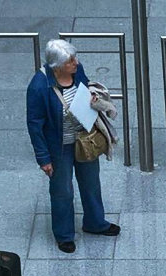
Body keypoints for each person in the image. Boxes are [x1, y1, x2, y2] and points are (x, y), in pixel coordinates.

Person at [27, 39, 121, 253]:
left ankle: (95, 222)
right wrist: (43, 158)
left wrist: (92, 97)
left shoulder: (77, 72)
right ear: (57, 65)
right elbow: (34, 125)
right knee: (62, 191)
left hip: (84, 137)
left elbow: (84, 87)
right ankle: (64, 234)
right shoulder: (39, 87)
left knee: (91, 183)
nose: (76, 63)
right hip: (58, 147)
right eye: (70, 61)